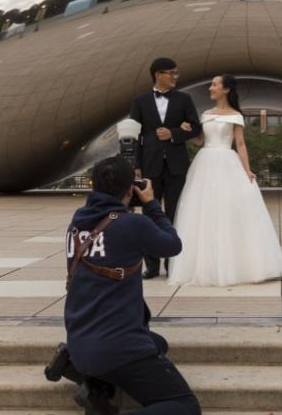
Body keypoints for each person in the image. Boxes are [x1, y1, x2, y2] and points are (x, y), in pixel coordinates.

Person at [61, 156, 201, 415]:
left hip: (81, 340)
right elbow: (172, 245)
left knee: (157, 342)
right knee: (185, 407)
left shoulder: (77, 222)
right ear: (130, 189)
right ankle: (94, 377)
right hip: (118, 348)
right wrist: (151, 204)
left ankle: (91, 381)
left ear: (94, 187)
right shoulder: (131, 223)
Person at [167, 75, 282, 286]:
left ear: (226, 89)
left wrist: (247, 170)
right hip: (204, 163)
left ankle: (236, 265)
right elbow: (199, 141)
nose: (210, 88)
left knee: (228, 211)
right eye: (211, 84)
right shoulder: (205, 114)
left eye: (214, 84)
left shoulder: (236, 116)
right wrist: (188, 132)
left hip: (226, 162)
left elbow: (240, 145)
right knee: (203, 211)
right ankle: (204, 266)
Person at [129, 57, 202, 279]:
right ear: (158, 74)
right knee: (149, 216)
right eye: (171, 73)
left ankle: (173, 264)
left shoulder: (184, 99)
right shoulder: (140, 102)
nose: (175, 77)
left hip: (177, 166)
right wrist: (136, 166)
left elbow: (196, 128)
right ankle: (151, 266)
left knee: (175, 214)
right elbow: (133, 135)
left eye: (175, 73)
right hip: (149, 167)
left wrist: (174, 134)